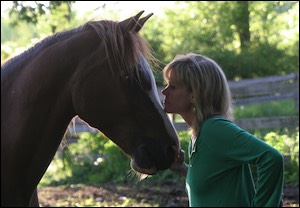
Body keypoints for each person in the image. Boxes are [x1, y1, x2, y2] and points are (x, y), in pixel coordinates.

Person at [161, 52, 284, 207]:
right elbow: (213, 186)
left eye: (172, 86)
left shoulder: (215, 129)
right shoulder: (199, 133)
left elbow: (272, 158)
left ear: (194, 95)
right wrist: (182, 168)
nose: (164, 91)